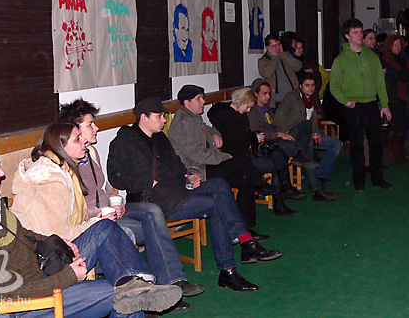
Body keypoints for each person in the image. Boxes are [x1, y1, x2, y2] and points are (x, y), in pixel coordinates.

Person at [0, 138, 181, 317]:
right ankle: (137, 291)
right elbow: (4, 289)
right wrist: (67, 277)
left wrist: (59, 243)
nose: (2, 173)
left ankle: (136, 284)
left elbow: (22, 234)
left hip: (42, 269)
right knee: (119, 295)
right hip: (27, 302)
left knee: (104, 228)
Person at [107, 97, 281, 291]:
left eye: (164, 116)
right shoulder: (124, 141)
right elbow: (116, 178)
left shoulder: (160, 138)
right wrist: (148, 183)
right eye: (159, 116)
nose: (164, 120)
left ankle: (244, 241)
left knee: (219, 184)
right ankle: (231, 267)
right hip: (155, 200)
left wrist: (188, 176)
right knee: (216, 205)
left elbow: (176, 164)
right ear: (143, 117)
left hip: (179, 191)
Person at [59, 99, 204, 300]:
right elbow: (73, 210)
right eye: (90, 124)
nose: (96, 128)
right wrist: (100, 213)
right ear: (73, 130)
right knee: (153, 222)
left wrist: (115, 200)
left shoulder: (90, 152)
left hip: (113, 213)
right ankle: (162, 286)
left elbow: (105, 186)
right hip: (93, 222)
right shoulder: (65, 165)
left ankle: (172, 281)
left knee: (152, 212)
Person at [168, 85, 277, 240]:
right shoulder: (183, 123)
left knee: (245, 179)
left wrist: (215, 134)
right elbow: (198, 154)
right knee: (241, 161)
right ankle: (258, 181)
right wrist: (225, 157)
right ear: (187, 102)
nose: (203, 101)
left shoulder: (193, 117)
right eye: (199, 99)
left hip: (207, 165)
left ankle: (244, 229)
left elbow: (206, 128)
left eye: (203, 98)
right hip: (197, 172)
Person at [207, 88, 306, 217]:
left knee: (277, 153)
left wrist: (254, 137)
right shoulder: (228, 116)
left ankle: (285, 188)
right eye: (248, 107)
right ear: (241, 102)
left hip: (249, 150)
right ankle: (279, 201)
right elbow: (239, 143)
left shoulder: (239, 113)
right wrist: (255, 138)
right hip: (239, 155)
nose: (249, 110)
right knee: (274, 163)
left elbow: (244, 136)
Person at [247, 79, 337, 202]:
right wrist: (278, 133)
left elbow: (276, 124)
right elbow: (255, 134)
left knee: (305, 124)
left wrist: (284, 131)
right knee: (307, 145)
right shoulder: (252, 111)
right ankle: (317, 189)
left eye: (269, 93)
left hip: (280, 137)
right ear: (256, 94)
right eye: (264, 93)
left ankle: (301, 154)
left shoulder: (267, 108)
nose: (268, 96)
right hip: (268, 143)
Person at [330, 18, 392, 191]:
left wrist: (385, 104)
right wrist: (346, 101)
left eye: (360, 31)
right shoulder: (341, 60)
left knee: (377, 143)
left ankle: (377, 178)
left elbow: (380, 82)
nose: (359, 35)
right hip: (354, 106)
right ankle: (359, 181)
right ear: (347, 36)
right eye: (355, 32)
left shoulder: (371, 56)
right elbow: (334, 86)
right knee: (357, 145)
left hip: (371, 103)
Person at [275, 73, 343, 199]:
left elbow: (316, 122)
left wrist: (319, 134)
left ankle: (321, 175)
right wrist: (284, 132)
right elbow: (280, 116)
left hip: (310, 135)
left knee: (335, 143)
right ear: (301, 86)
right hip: (293, 135)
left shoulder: (314, 100)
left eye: (312, 85)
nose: (310, 88)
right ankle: (317, 189)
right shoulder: (292, 97)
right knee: (307, 135)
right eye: (307, 85)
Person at [381, 35, 409, 165]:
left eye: (399, 44)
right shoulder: (387, 59)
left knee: (403, 128)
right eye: (395, 44)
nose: (398, 47)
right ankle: (394, 156)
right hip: (393, 97)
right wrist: (404, 75)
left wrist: (405, 75)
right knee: (395, 127)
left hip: (405, 96)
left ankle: (401, 155)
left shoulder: (405, 58)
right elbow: (397, 75)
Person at [258, 32, 302, 108]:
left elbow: (298, 66)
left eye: (279, 45)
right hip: (277, 100)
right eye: (274, 46)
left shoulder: (286, 55)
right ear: (268, 47)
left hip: (292, 97)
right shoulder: (263, 61)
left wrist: (282, 54)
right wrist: (275, 58)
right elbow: (267, 74)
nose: (277, 48)